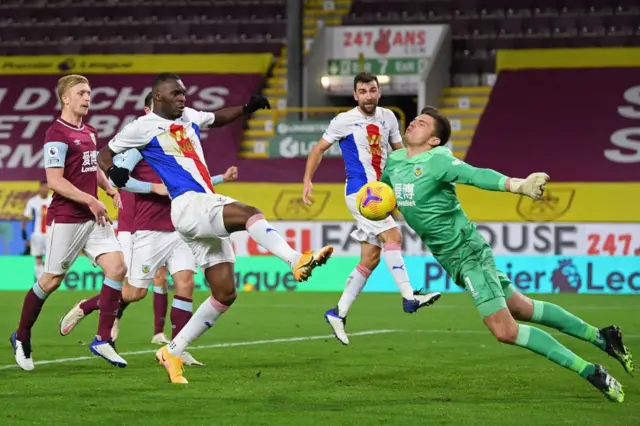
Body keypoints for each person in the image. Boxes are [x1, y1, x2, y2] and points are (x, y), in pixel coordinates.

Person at [380, 106, 634, 402]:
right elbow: (383, 196)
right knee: (522, 308)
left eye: (422, 124)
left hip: (467, 254)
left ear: (434, 140)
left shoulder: (438, 160)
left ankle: (590, 370)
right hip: (453, 260)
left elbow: (476, 175)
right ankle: (602, 337)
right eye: (414, 121)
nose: (412, 124)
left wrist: (519, 185)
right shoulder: (395, 161)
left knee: (504, 330)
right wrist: (368, 205)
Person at [99, 72, 333, 383]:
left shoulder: (189, 116)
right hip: (187, 203)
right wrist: (112, 171)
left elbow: (217, 118)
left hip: (199, 207)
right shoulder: (141, 128)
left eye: (184, 93)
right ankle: (295, 259)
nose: (183, 98)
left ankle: (172, 350)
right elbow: (104, 154)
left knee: (225, 293)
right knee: (250, 212)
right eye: (175, 94)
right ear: (157, 97)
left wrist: (245, 108)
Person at [59, 92, 239, 366]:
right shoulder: (138, 142)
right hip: (149, 227)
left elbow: (193, 180)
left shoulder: (181, 139)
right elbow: (119, 178)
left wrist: (220, 179)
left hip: (180, 226)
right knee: (134, 292)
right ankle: (87, 305)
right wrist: (152, 187)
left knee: (186, 283)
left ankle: (177, 347)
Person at [302, 72, 441, 345]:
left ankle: (338, 313)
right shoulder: (343, 121)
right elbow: (318, 149)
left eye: (372, 90)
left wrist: (418, 170)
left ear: (379, 92)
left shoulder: (389, 117)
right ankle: (408, 295)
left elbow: (400, 152)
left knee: (370, 259)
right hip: (362, 193)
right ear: (355, 95)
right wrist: (307, 180)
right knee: (394, 237)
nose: (368, 95)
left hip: (382, 191)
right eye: (362, 91)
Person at [10, 74, 128, 370]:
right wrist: (89, 199)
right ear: (66, 98)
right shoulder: (56, 134)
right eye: (81, 93)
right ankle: (22, 336)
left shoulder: (89, 131)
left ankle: (102, 340)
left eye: (89, 92)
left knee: (117, 268)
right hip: (68, 217)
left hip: (94, 217)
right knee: (51, 280)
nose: (87, 97)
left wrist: (109, 189)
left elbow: (93, 168)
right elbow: (54, 181)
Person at [22, 181, 52, 280]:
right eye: (42, 187)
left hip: (50, 233)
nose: (44, 189)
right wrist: (23, 229)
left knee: (50, 257)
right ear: (40, 188)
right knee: (38, 256)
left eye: (46, 187)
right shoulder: (33, 201)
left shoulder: (52, 200)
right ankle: (39, 279)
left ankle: (47, 279)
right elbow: (26, 216)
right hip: (37, 233)